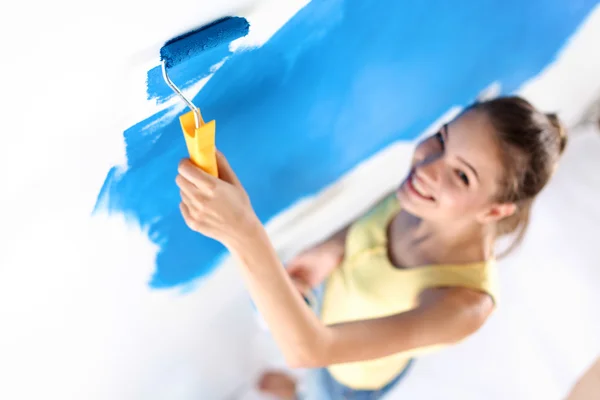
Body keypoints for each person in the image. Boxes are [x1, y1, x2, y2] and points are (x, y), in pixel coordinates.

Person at [175, 96, 567, 399]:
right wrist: (328, 253)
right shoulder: (419, 195)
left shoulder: (465, 305)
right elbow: (367, 226)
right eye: (443, 137)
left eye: (462, 175)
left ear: (496, 209)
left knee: (321, 389)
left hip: (349, 380)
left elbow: (309, 350)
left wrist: (244, 232)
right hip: (327, 314)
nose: (427, 166)